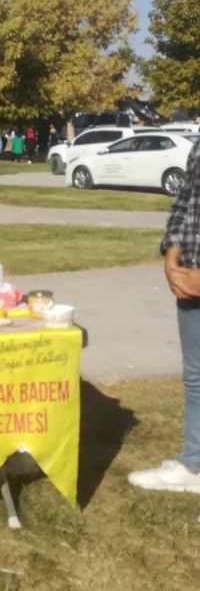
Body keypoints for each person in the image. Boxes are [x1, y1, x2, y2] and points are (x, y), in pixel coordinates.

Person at [128, 140, 200, 495]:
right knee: (196, 375)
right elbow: (186, 199)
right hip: (189, 275)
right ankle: (194, 463)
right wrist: (172, 256)